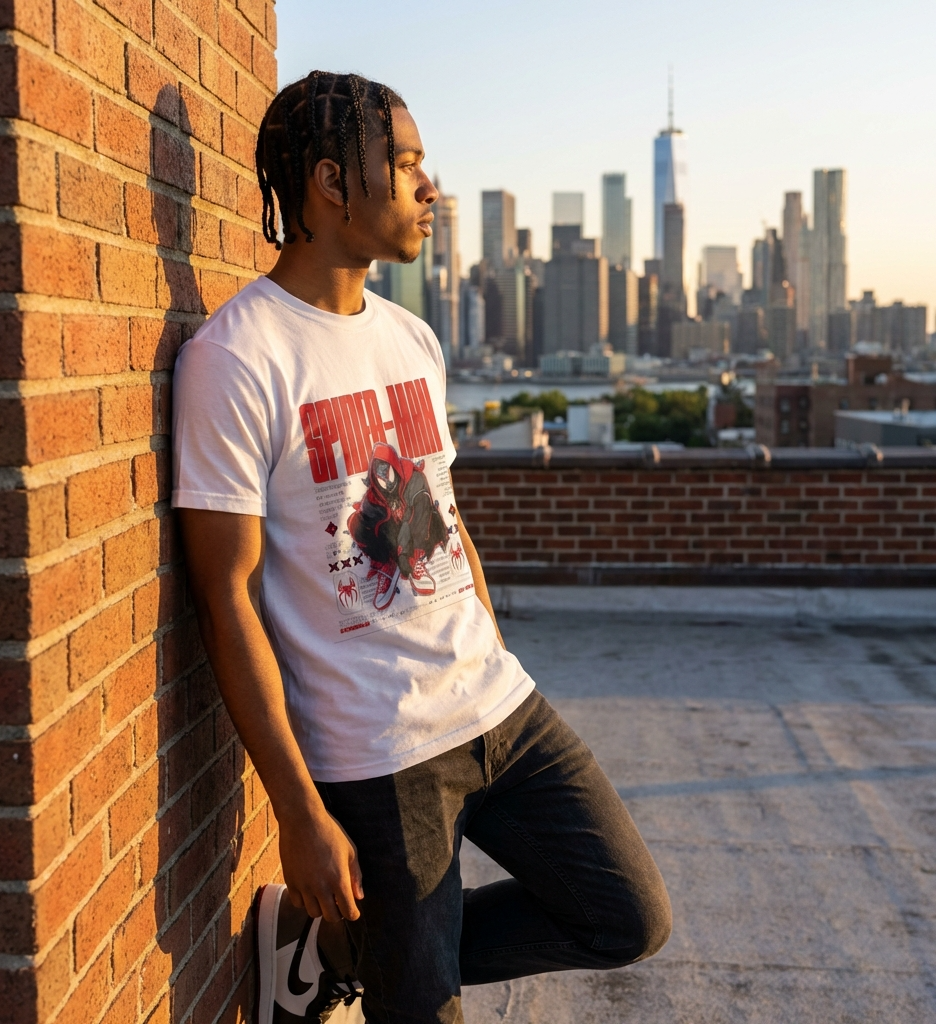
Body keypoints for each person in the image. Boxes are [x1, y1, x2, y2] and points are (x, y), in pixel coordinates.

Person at [172, 71, 671, 1024]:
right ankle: (374, 958)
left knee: (628, 915)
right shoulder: (237, 359)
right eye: (404, 165)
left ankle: (340, 951)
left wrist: (484, 637)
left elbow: (439, 516)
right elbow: (224, 598)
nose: (428, 187)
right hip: (379, 753)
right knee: (423, 1009)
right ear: (329, 182)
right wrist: (296, 809)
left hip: (499, 709)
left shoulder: (412, 339)